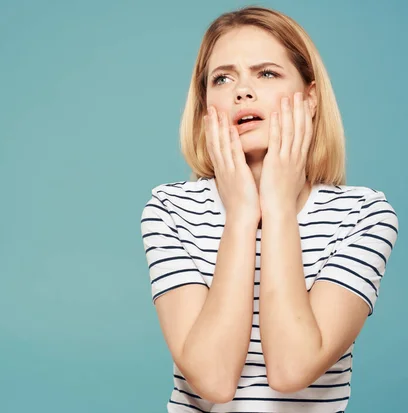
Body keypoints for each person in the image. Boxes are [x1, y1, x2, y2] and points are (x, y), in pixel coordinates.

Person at [139, 6, 399, 413]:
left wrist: (277, 207)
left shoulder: (363, 215)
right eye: (222, 78)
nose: (242, 91)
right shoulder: (171, 209)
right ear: (206, 105)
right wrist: (242, 215)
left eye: (267, 73)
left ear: (310, 99)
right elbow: (212, 380)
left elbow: (291, 369)